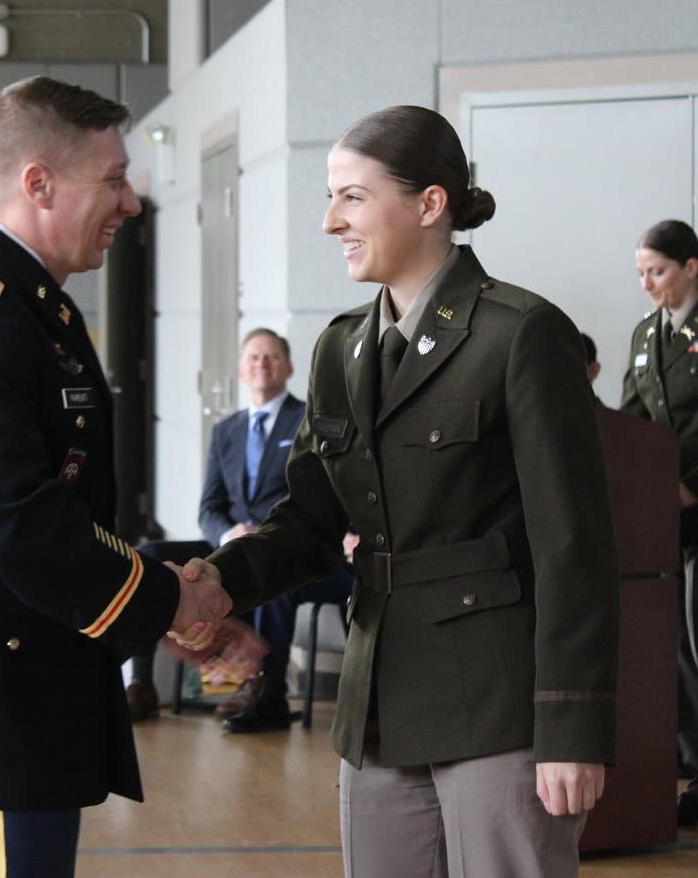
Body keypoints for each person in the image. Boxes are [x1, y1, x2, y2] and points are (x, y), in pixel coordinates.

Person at [179, 106, 619, 877]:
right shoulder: (340, 347)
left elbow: (572, 544)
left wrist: (572, 728)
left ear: (428, 203)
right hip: (378, 701)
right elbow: (311, 522)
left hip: (498, 705)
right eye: (330, 197)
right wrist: (217, 584)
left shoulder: (518, 332)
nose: (328, 221)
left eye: (351, 196)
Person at [0, 76, 258, 878]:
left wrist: (167, 607)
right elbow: (18, 519)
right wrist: (170, 605)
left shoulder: (34, 311)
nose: (132, 202)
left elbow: (75, 513)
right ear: (37, 183)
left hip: (23, 696)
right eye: (112, 179)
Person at [126, 329, 355, 732]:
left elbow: (330, 492)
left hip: (289, 544)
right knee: (150, 554)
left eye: (270, 357)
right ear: (241, 370)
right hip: (232, 540)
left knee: (279, 577)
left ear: (289, 367)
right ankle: (142, 683)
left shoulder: (309, 420)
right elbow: (209, 507)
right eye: (253, 358)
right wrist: (228, 534)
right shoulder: (225, 430)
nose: (261, 365)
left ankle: (266, 694)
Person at [619, 218, 698, 827]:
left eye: (659, 271)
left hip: (696, 505)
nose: (647, 284)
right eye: (642, 273)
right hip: (660, 520)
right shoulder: (647, 334)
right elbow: (631, 419)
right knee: (673, 645)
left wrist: (690, 484)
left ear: (691, 267)